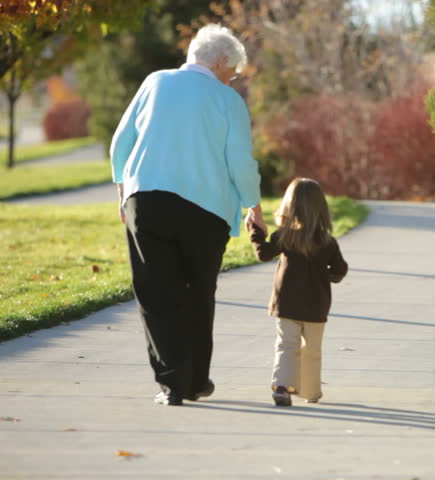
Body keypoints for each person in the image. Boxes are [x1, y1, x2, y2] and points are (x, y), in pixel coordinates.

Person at [110, 24, 267, 406]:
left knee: (155, 293)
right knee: (199, 292)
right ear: (220, 62)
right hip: (206, 210)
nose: (231, 80)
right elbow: (240, 163)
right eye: (231, 73)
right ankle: (196, 380)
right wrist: (255, 210)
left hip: (146, 201)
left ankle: (173, 384)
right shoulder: (227, 101)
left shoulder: (155, 82)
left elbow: (120, 143)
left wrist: (123, 192)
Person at [250, 178, 348, 406]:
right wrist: (328, 276)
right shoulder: (327, 241)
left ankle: (282, 387)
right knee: (312, 349)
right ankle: (311, 392)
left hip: (287, 303)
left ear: (289, 206)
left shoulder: (284, 236)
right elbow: (340, 269)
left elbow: (263, 254)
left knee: (286, 345)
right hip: (317, 304)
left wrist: (256, 231)